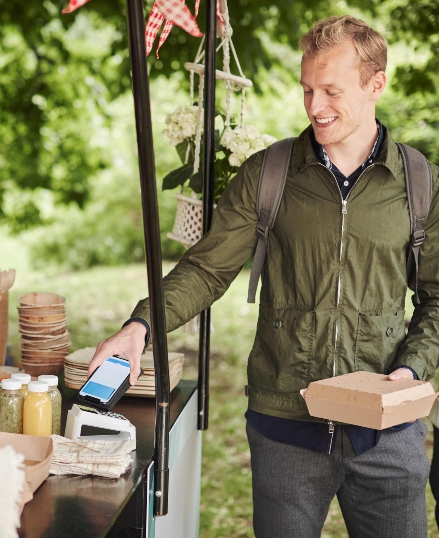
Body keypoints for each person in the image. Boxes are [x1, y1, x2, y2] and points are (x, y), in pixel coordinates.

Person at [89, 15, 438, 537]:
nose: (315, 107)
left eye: (331, 91)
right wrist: (141, 327)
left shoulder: (418, 183)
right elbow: (206, 270)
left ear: (376, 85)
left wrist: (410, 371)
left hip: (388, 433)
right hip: (285, 427)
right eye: (307, 90)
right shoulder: (269, 174)